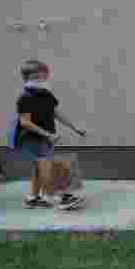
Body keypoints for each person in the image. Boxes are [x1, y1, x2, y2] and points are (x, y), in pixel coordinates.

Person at [14, 59, 88, 209]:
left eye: (44, 76)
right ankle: (64, 197)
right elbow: (25, 122)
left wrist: (74, 127)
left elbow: (55, 112)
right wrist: (48, 135)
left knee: (39, 167)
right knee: (50, 165)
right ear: (27, 78)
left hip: (45, 137)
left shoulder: (46, 94)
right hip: (31, 138)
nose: (43, 79)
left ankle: (33, 198)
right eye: (38, 77)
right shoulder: (24, 98)